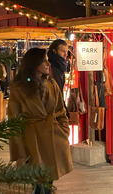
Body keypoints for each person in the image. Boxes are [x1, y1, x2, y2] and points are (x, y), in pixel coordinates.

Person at [8, 48, 73, 194]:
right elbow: (14, 121)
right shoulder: (19, 89)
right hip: (32, 140)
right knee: (39, 182)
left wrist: (64, 131)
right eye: (44, 60)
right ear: (34, 63)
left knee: (47, 181)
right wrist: (19, 152)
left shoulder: (52, 84)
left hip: (53, 138)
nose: (48, 63)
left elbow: (61, 110)